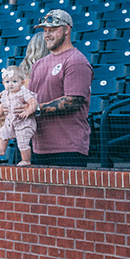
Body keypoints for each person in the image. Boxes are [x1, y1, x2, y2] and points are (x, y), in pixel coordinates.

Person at [28, 10, 93, 166]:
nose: (47, 35)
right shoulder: (38, 64)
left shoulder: (75, 60)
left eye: (53, 30)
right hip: (39, 146)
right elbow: (30, 98)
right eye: (45, 31)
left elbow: (73, 101)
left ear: (67, 29)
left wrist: (36, 108)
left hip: (68, 147)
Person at [0, 66, 39, 165]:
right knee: (2, 132)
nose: (11, 85)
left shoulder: (23, 93)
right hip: (11, 123)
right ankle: (1, 149)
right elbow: (2, 105)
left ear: (22, 83)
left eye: (14, 82)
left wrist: (28, 111)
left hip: (24, 124)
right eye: (7, 82)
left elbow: (34, 103)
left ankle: (26, 160)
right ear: (3, 83)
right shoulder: (5, 94)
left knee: (23, 142)